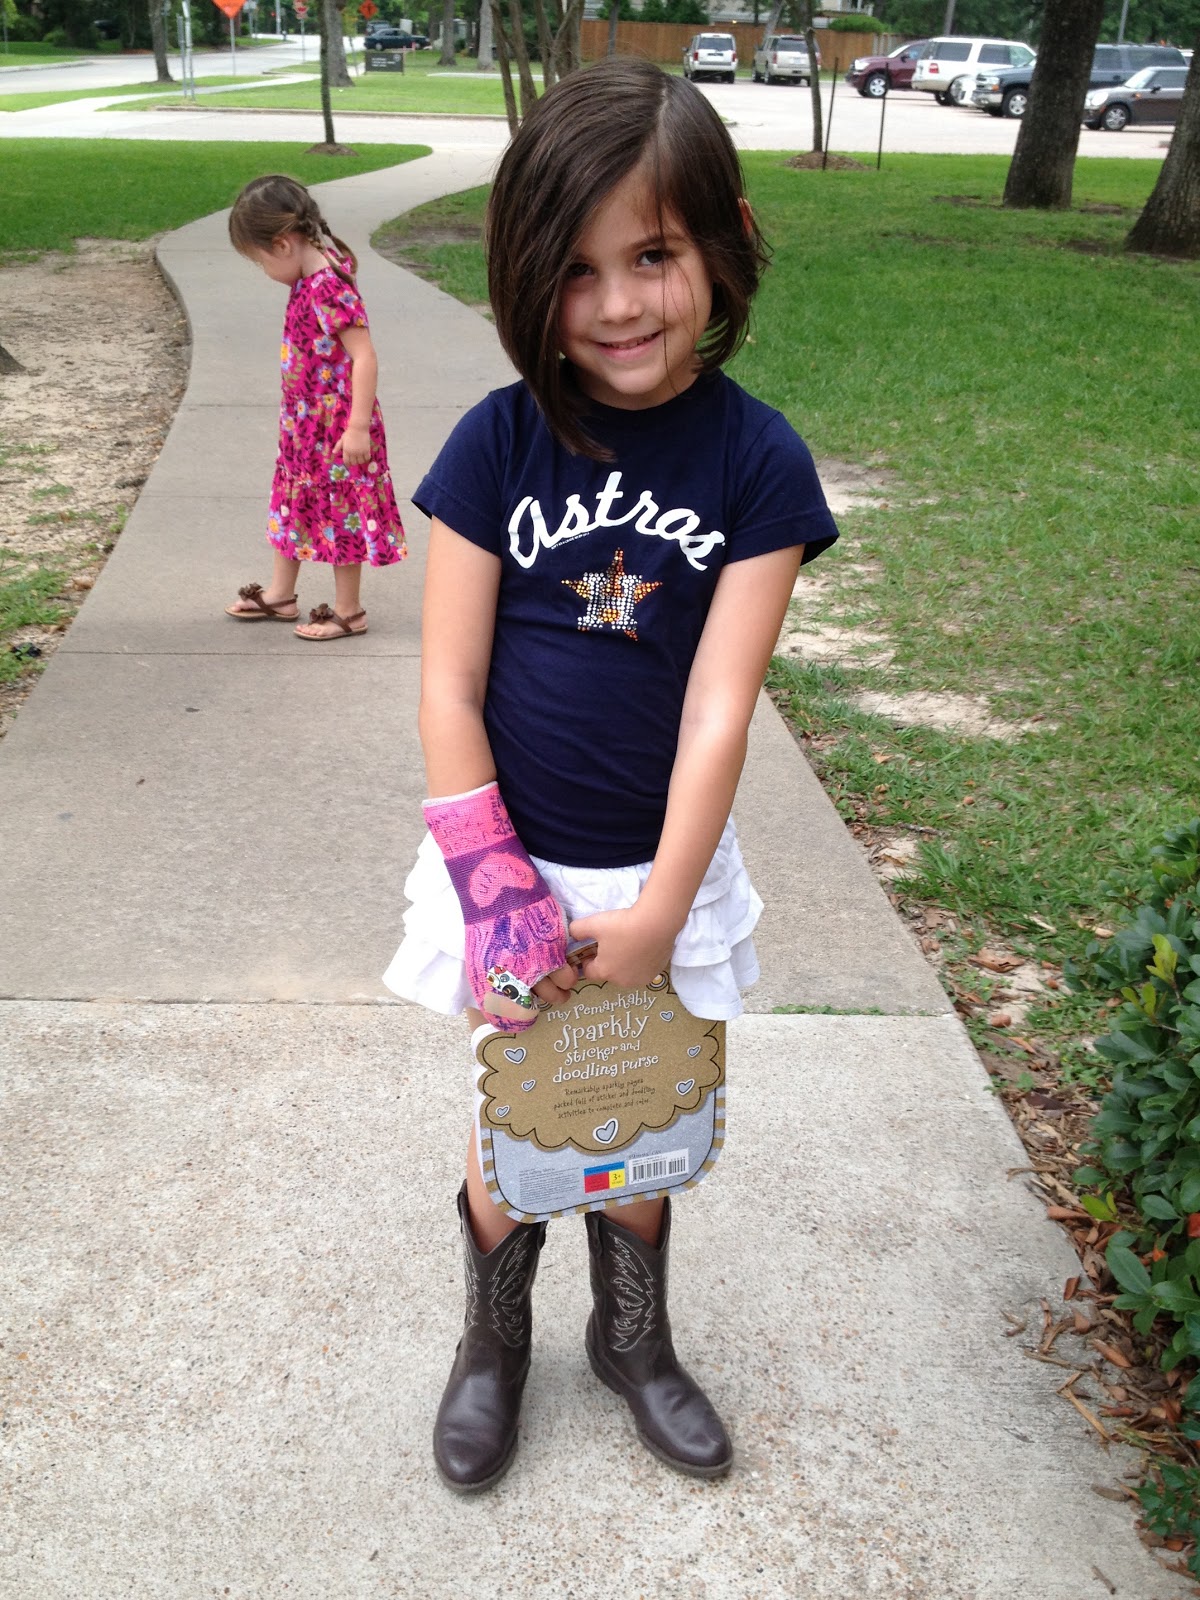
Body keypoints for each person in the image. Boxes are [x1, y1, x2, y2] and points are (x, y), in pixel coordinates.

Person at [383, 57, 839, 1493]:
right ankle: (493, 1342)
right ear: (529, 275)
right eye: (576, 270)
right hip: (507, 871)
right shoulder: (497, 442)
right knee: (513, 1127)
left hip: (657, 875)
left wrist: (660, 912)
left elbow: (720, 708)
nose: (619, 304)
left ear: (726, 239)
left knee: (639, 1120)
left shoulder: (758, 463)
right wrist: (496, 891)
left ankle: (633, 1341)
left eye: (653, 255)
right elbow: (447, 689)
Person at [225, 174, 406, 641]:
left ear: (283, 244)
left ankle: (349, 610)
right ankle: (281, 594)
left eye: (260, 260)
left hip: (339, 427)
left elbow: (364, 356)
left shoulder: (327, 286)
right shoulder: (309, 278)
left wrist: (358, 427)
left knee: (342, 510)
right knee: (293, 501)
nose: (263, 270)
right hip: (304, 425)